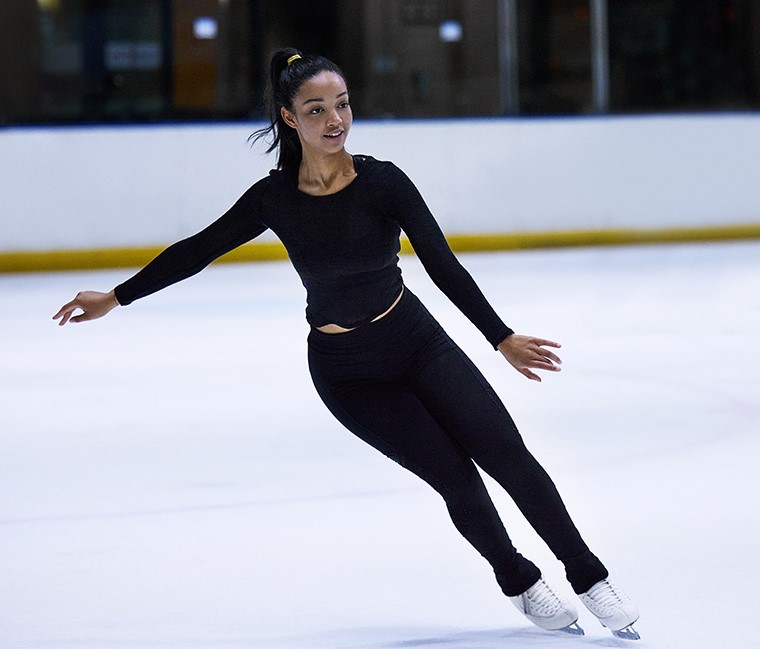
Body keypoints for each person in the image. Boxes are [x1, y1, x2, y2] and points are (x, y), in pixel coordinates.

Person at [53, 48, 640, 640]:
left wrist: (500, 337)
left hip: (416, 341)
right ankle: (518, 581)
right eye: (317, 109)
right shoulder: (274, 197)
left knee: (509, 459)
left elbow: (443, 266)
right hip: (347, 373)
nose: (335, 119)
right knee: (457, 481)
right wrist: (117, 296)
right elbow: (197, 249)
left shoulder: (384, 181)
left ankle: (590, 576)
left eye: (342, 104)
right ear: (289, 118)